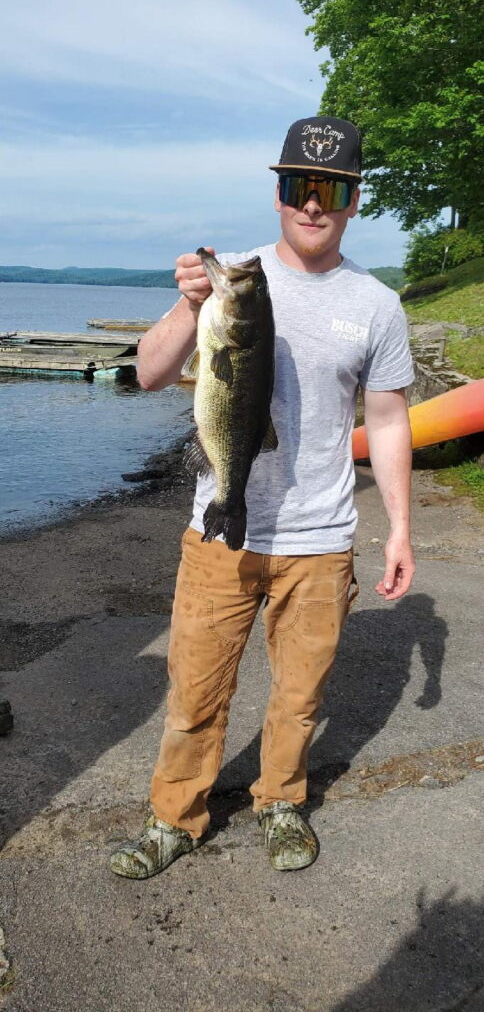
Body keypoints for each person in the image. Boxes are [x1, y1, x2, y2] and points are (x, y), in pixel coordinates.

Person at [110, 116, 415, 878]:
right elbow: (148, 374)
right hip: (220, 533)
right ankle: (174, 817)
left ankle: (280, 802)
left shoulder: (376, 305)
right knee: (194, 690)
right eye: (298, 187)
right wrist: (188, 305)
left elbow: (387, 420)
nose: (313, 205)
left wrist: (402, 528)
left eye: (331, 190)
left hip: (320, 538)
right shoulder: (231, 281)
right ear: (279, 194)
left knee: (301, 696)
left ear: (351, 201)